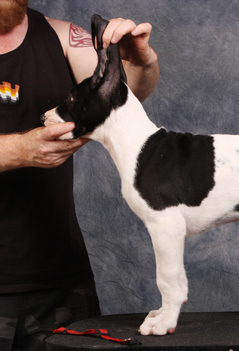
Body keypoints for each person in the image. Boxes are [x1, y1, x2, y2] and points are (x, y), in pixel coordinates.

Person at [0, 0, 159, 349]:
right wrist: (17, 150)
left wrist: (141, 62)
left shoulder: (62, 38)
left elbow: (122, 98)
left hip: (59, 285)